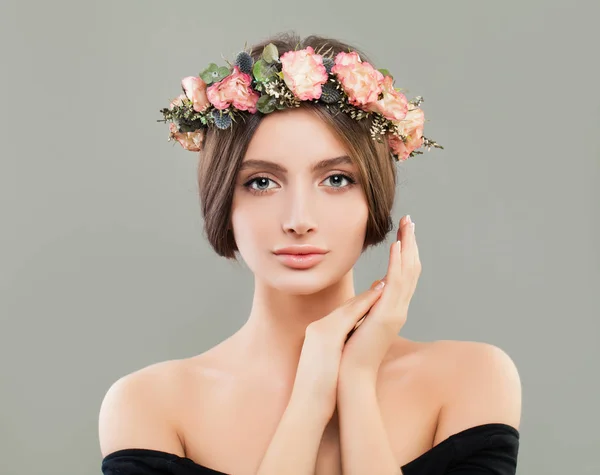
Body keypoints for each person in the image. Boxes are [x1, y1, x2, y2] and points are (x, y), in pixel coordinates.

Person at [99, 32, 521, 475]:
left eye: (336, 179)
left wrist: (355, 380)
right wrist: (312, 394)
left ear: (374, 197)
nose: (299, 219)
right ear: (223, 201)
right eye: (261, 182)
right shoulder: (149, 406)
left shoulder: (471, 379)